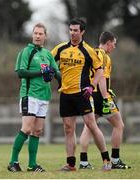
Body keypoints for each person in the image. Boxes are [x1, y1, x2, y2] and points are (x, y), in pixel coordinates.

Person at [51, 17, 111, 171]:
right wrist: (46, 69)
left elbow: (100, 71)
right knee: (68, 129)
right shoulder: (61, 48)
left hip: (82, 94)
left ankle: (106, 160)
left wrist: (91, 86)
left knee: (91, 125)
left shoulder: (88, 51)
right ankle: (71, 164)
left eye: (75, 30)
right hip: (65, 94)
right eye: (70, 30)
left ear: (82, 32)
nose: (72, 33)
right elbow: (47, 60)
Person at [7, 23, 60, 172]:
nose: (37, 36)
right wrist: (41, 73)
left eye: (40, 33)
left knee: (37, 131)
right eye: (35, 33)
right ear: (32, 35)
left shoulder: (48, 54)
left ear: (45, 36)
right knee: (27, 129)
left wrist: (64, 83)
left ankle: (32, 165)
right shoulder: (26, 52)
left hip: (44, 96)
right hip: (30, 95)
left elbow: (56, 72)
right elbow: (21, 73)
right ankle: (13, 162)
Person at [79, 31, 131, 169]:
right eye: (114, 44)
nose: (114, 47)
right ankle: (115, 160)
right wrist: (106, 96)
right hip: (100, 96)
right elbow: (101, 77)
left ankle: (83, 162)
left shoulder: (92, 53)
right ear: (108, 43)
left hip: (89, 95)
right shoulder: (104, 56)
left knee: (89, 127)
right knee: (119, 125)